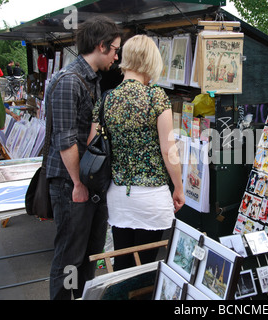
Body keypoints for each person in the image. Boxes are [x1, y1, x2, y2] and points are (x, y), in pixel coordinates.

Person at [89, 34, 185, 271]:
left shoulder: (106, 99)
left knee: (123, 265)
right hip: (151, 197)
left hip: (118, 195)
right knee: (146, 269)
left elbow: (92, 142)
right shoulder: (156, 97)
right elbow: (168, 149)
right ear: (151, 61)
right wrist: (179, 187)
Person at [45, 16, 121, 300]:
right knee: (70, 256)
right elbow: (65, 141)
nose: (116, 56)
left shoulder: (91, 80)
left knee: (90, 254)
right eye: (114, 49)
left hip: (88, 183)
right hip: (70, 183)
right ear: (101, 46)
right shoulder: (69, 82)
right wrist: (78, 183)